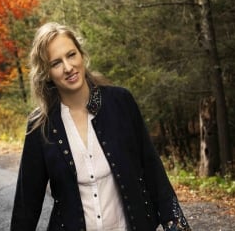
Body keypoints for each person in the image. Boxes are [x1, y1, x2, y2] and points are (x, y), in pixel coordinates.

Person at [11, 22, 191, 231]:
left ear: (82, 55)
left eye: (71, 55)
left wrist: (176, 224)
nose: (68, 67)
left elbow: (152, 169)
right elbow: (27, 202)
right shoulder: (41, 125)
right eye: (56, 63)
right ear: (46, 73)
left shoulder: (120, 102)